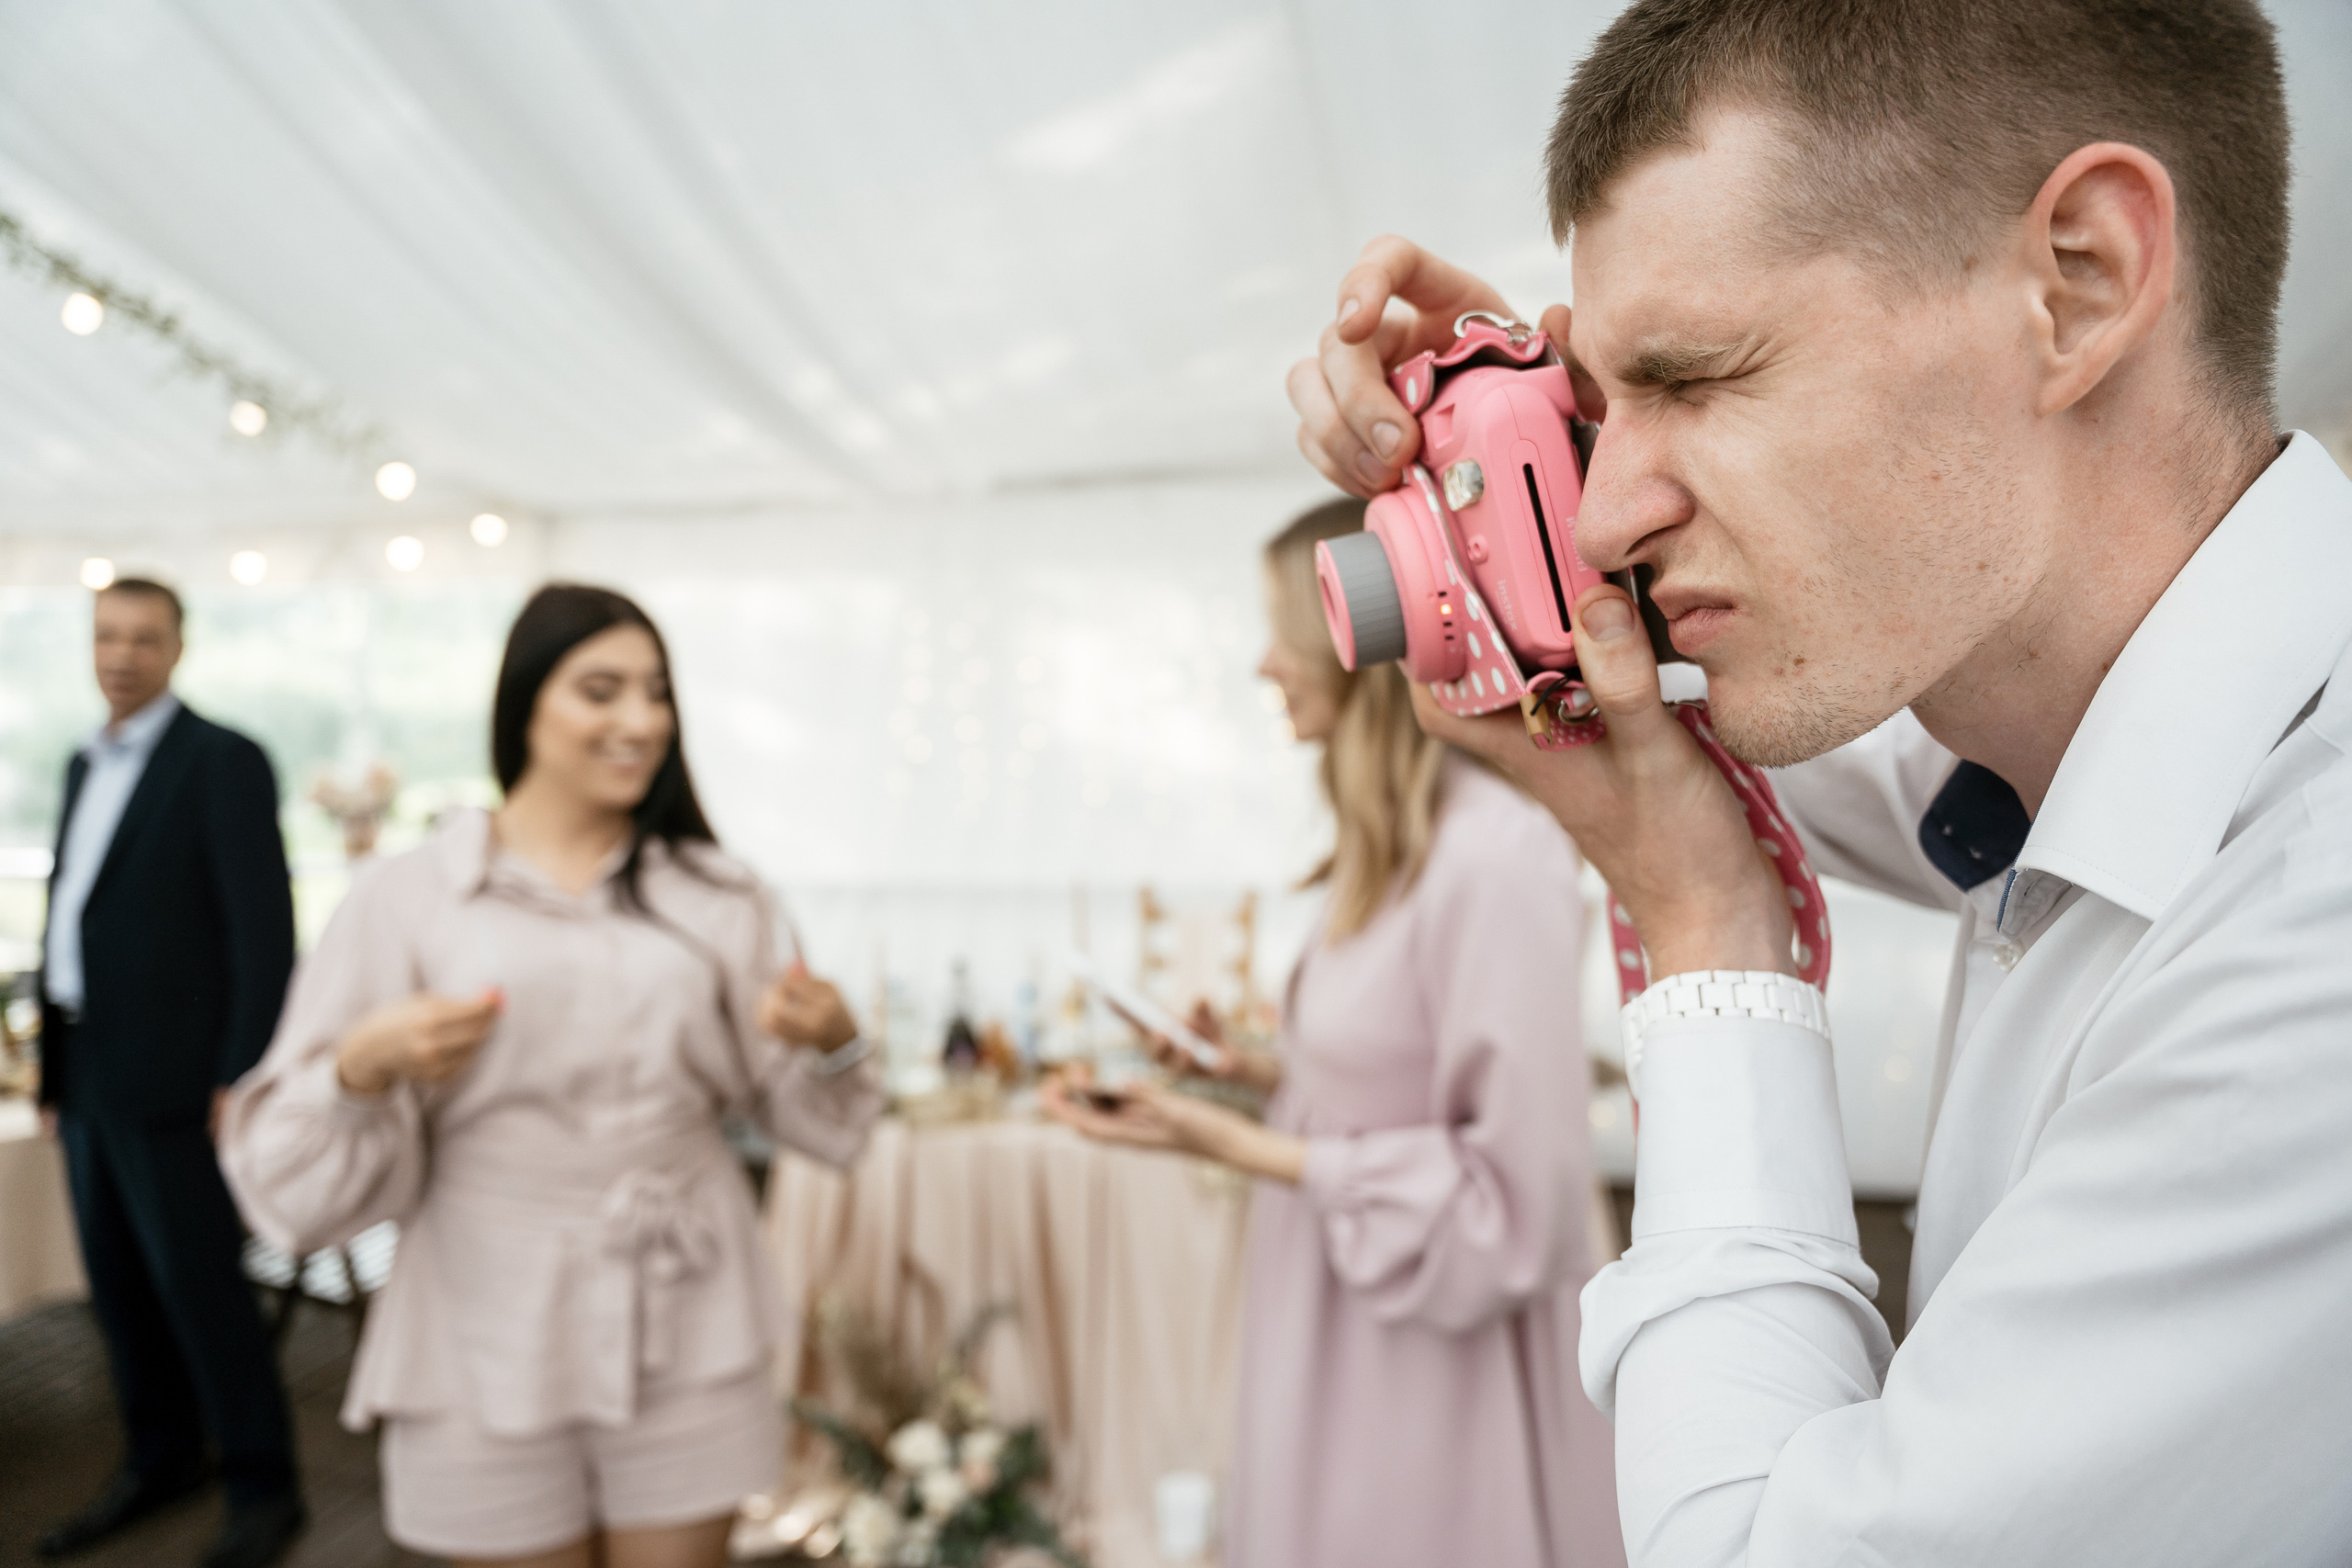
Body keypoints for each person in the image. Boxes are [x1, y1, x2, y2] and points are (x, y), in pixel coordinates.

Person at [1287, 1, 2352, 1562]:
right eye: (1605, 406)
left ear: (2082, 282)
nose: (1602, 520)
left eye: (1700, 375)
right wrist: (1501, 445)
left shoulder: (2309, 958)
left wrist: (1711, 941)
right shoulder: (2061, 739)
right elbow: (1827, 770)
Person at [220, 584, 885, 1568]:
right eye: (601, 691)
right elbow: (287, 1184)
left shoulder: (720, 896)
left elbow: (825, 1126)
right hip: (481, 1316)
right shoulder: (404, 898)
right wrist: (360, 1066)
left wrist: (834, 1041)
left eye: (656, 694)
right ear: (523, 704)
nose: (640, 721)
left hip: (687, 1306)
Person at [1043, 500, 1624, 1568]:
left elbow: (1517, 1207)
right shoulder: (1388, 847)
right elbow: (1401, 1089)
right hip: (1342, 1319)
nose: (1264, 665)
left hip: (1442, 1375)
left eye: (1281, 628)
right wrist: (1251, 1072)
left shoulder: (1494, 861)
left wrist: (1220, 1140)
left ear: (1363, 642)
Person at [35, 577, 305, 1568]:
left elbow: (264, 933)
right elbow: (78, 915)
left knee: (202, 1291)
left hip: (183, 1079)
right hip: (90, 1068)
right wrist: (55, 1078)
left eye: (144, 638)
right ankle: (160, 1462)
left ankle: (264, 1485)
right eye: (107, 636)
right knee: (119, 1291)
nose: (122, 655)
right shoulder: (81, 761)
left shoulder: (220, 761)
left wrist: (243, 1071)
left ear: (178, 649)